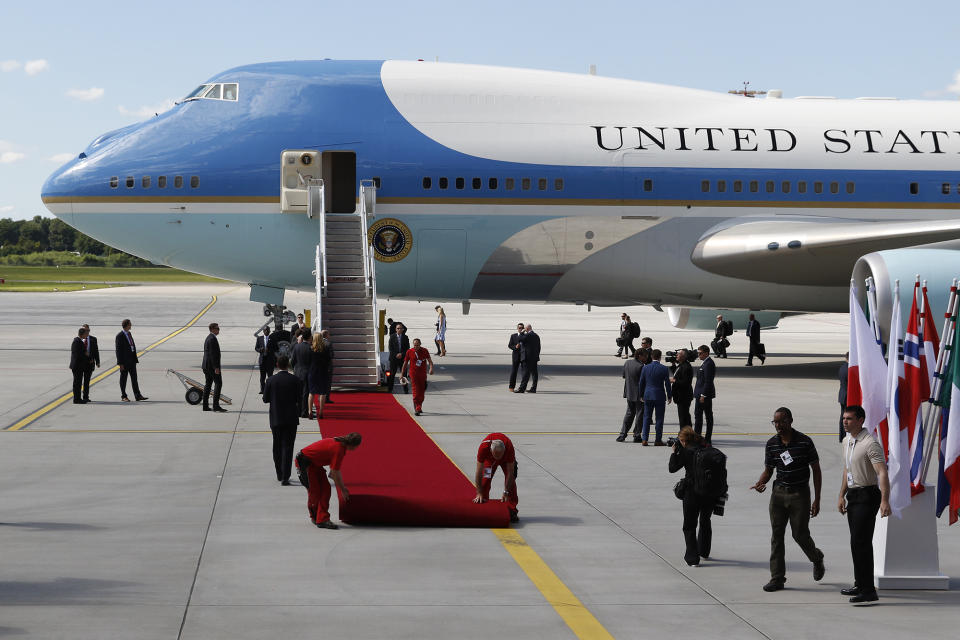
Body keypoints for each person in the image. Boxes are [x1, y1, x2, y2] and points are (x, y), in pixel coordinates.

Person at [749, 407, 825, 593]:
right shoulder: (772, 444)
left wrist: (817, 499)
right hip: (778, 494)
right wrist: (760, 482)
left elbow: (816, 470)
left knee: (800, 534)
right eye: (775, 422)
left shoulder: (805, 442)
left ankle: (816, 558)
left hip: (800, 494)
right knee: (777, 536)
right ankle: (777, 578)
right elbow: (769, 470)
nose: (778, 425)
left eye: (781, 421)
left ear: (790, 420)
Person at [837, 405, 891, 603]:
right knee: (855, 542)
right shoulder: (847, 441)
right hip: (853, 494)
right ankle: (860, 583)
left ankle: (868, 590)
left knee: (862, 542)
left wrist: (885, 500)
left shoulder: (870, 443)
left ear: (860, 420)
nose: (845, 422)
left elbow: (882, 472)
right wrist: (841, 494)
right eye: (844, 418)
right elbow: (846, 469)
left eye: (849, 419)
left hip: (867, 495)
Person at [669, 426, 718, 566]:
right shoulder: (707, 448)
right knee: (705, 520)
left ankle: (692, 558)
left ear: (684, 441)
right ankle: (703, 551)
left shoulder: (687, 452)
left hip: (692, 492)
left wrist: (674, 452)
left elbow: (672, 468)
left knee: (689, 525)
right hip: (709, 492)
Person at [295, 432, 362, 529]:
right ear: (353, 446)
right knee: (315, 492)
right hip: (305, 464)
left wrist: (335, 477)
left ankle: (321, 518)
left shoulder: (340, 442)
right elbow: (335, 472)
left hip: (315, 464)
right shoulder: (339, 449)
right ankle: (316, 516)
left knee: (326, 489)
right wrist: (343, 489)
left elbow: (333, 472)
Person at [263, 354, 302, 485]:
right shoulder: (296, 380)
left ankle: (279, 473)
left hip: (276, 418)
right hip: (291, 418)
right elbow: (299, 399)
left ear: (277, 365)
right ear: (288, 365)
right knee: (288, 447)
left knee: (277, 446)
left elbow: (265, 399)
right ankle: (285, 476)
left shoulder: (271, 380)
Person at [473, 432, 519, 522]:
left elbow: (510, 473)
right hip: (490, 460)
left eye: (500, 455)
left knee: (511, 484)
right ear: (491, 450)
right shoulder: (484, 447)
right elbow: (479, 472)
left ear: (504, 450)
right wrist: (479, 492)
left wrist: (506, 491)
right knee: (485, 480)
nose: (498, 458)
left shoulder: (509, 448)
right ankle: (483, 502)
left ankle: (512, 509)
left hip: (506, 460)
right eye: (496, 455)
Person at [638, 349, 672, 445]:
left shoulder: (645, 368)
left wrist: (641, 394)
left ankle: (645, 439)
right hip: (659, 395)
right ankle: (658, 440)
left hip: (648, 395)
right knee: (659, 419)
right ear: (660, 357)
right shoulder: (664, 368)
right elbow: (667, 384)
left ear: (651, 357)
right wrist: (669, 396)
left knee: (646, 418)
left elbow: (641, 382)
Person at [617, 349, 645, 442]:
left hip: (629, 393)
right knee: (639, 415)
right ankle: (636, 435)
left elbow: (624, 376)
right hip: (639, 395)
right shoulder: (641, 366)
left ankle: (622, 434)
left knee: (629, 414)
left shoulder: (627, 363)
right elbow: (643, 382)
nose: (646, 357)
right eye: (645, 356)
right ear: (640, 356)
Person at [115, 318, 147, 401]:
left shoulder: (129, 334)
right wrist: (120, 363)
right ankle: (124, 396)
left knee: (134, 379)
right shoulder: (120, 336)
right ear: (126, 325)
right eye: (130, 324)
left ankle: (137, 395)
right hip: (124, 362)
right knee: (123, 379)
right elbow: (118, 350)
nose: (131, 325)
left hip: (132, 360)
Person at [401, 337, 434, 415]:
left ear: (420, 345)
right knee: (415, 391)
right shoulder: (409, 351)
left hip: (422, 374)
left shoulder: (424, 351)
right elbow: (405, 364)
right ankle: (417, 408)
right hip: (413, 374)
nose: (416, 347)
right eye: (415, 345)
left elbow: (430, 361)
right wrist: (402, 374)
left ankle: (419, 405)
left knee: (422, 392)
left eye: (417, 345)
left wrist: (431, 369)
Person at [693, 345, 716, 444]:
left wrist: (703, 395)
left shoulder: (709, 364)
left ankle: (702, 438)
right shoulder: (705, 363)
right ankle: (702, 438)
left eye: (700, 353)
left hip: (704, 395)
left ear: (706, 353)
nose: (698, 355)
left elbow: (708, 381)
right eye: (698, 353)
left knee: (702, 416)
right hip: (702, 394)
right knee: (702, 416)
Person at [308, 332, 332, 422]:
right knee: (322, 393)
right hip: (323, 372)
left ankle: (310, 411)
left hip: (313, 372)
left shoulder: (310, 349)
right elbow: (329, 360)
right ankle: (321, 412)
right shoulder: (325, 349)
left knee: (311, 392)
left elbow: (308, 361)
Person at [202, 322, 226, 412]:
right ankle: (216, 406)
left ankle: (205, 406)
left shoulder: (209, 337)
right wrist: (216, 367)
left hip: (206, 366)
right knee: (218, 383)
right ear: (212, 329)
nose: (218, 330)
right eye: (217, 328)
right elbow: (212, 354)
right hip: (212, 366)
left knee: (208, 385)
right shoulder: (212, 339)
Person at [290, 328, 313, 418]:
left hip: (297, 372)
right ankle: (304, 411)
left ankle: (298, 410)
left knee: (298, 393)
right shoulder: (310, 348)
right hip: (307, 373)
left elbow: (292, 361)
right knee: (305, 393)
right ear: (309, 337)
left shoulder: (297, 347)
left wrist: (295, 369)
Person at [671, 348, 694, 428]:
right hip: (680, 396)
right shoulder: (681, 365)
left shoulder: (686, 367)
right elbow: (677, 373)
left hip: (684, 396)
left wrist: (674, 381)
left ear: (683, 356)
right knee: (685, 417)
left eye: (678, 354)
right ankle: (687, 434)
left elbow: (686, 382)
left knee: (683, 418)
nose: (676, 355)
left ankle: (684, 436)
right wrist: (673, 364)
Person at [515, 324, 540, 393]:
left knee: (526, 373)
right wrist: (536, 356)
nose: (523, 329)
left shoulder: (527, 335)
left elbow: (519, 338)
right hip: (534, 358)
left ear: (527, 328)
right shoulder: (536, 335)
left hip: (527, 357)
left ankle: (521, 389)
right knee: (534, 373)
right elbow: (539, 347)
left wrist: (522, 332)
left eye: (524, 328)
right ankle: (533, 388)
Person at [69, 326, 90, 404]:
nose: (87, 335)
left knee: (78, 383)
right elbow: (77, 354)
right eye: (85, 334)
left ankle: (78, 398)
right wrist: (85, 354)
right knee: (77, 383)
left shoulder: (79, 341)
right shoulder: (76, 341)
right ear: (82, 334)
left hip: (79, 366)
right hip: (77, 366)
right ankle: (76, 399)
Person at [387, 322, 410, 392]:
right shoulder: (392, 337)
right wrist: (396, 354)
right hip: (394, 358)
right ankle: (390, 389)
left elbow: (407, 348)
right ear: (396, 329)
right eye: (398, 328)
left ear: (403, 329)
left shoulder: (405, 337)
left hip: (402, 359)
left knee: (404, 374)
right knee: (392, 374)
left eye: (400, 328)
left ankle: (405, 389)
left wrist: (401, 354)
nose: (399, 329)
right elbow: (390, 348)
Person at [80, 323, 100, 402]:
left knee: (87, 381)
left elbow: (96, 351)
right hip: (81, 363)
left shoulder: (93, 339)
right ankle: (78, 396)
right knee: (79, 381)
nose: (87, 332)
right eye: (85, 330)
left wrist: (97, 361)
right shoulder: (79, 339)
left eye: (88, 330)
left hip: (90, 363)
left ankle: (85, 396)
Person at [255, 325, 277, 394]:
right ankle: (262, 389)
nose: (266, 331)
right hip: (262, 361)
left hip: (270, 361)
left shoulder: (273, 339)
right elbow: (256, 348)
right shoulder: (259, 339)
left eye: (267, 330)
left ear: (269, 331)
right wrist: (260, 350)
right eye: (265, 330)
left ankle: (270, 389)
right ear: (263, 331)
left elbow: (277, 348)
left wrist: (270, 350)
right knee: (262, 376)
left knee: (270, 376)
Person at [508, 322, 524, 391]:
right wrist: (515, 347)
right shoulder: (513, 336)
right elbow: (509, 345)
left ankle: (522, 387)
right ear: (517, 328)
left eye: (522, 328)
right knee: (514, 371)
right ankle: (511, 387)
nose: (521, 329)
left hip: (524, 356)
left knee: (524, 372)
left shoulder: (526, 336)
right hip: (516, 356)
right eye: (519, 328)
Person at [321, 329, 335, 404]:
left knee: (321, 382)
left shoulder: (318, 343)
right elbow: (332, 355)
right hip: (327, 366)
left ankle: (321, 397)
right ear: (326, 335)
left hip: (319, 366)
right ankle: (326, 398)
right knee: (328, 383)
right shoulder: (328, 343)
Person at [837, 352, 849, 442]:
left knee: (843, 416)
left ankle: (842, 435)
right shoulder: (848, 369)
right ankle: (845, 435)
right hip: (846, 396)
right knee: (846, 417)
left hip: (842, 395)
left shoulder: (843, 367)